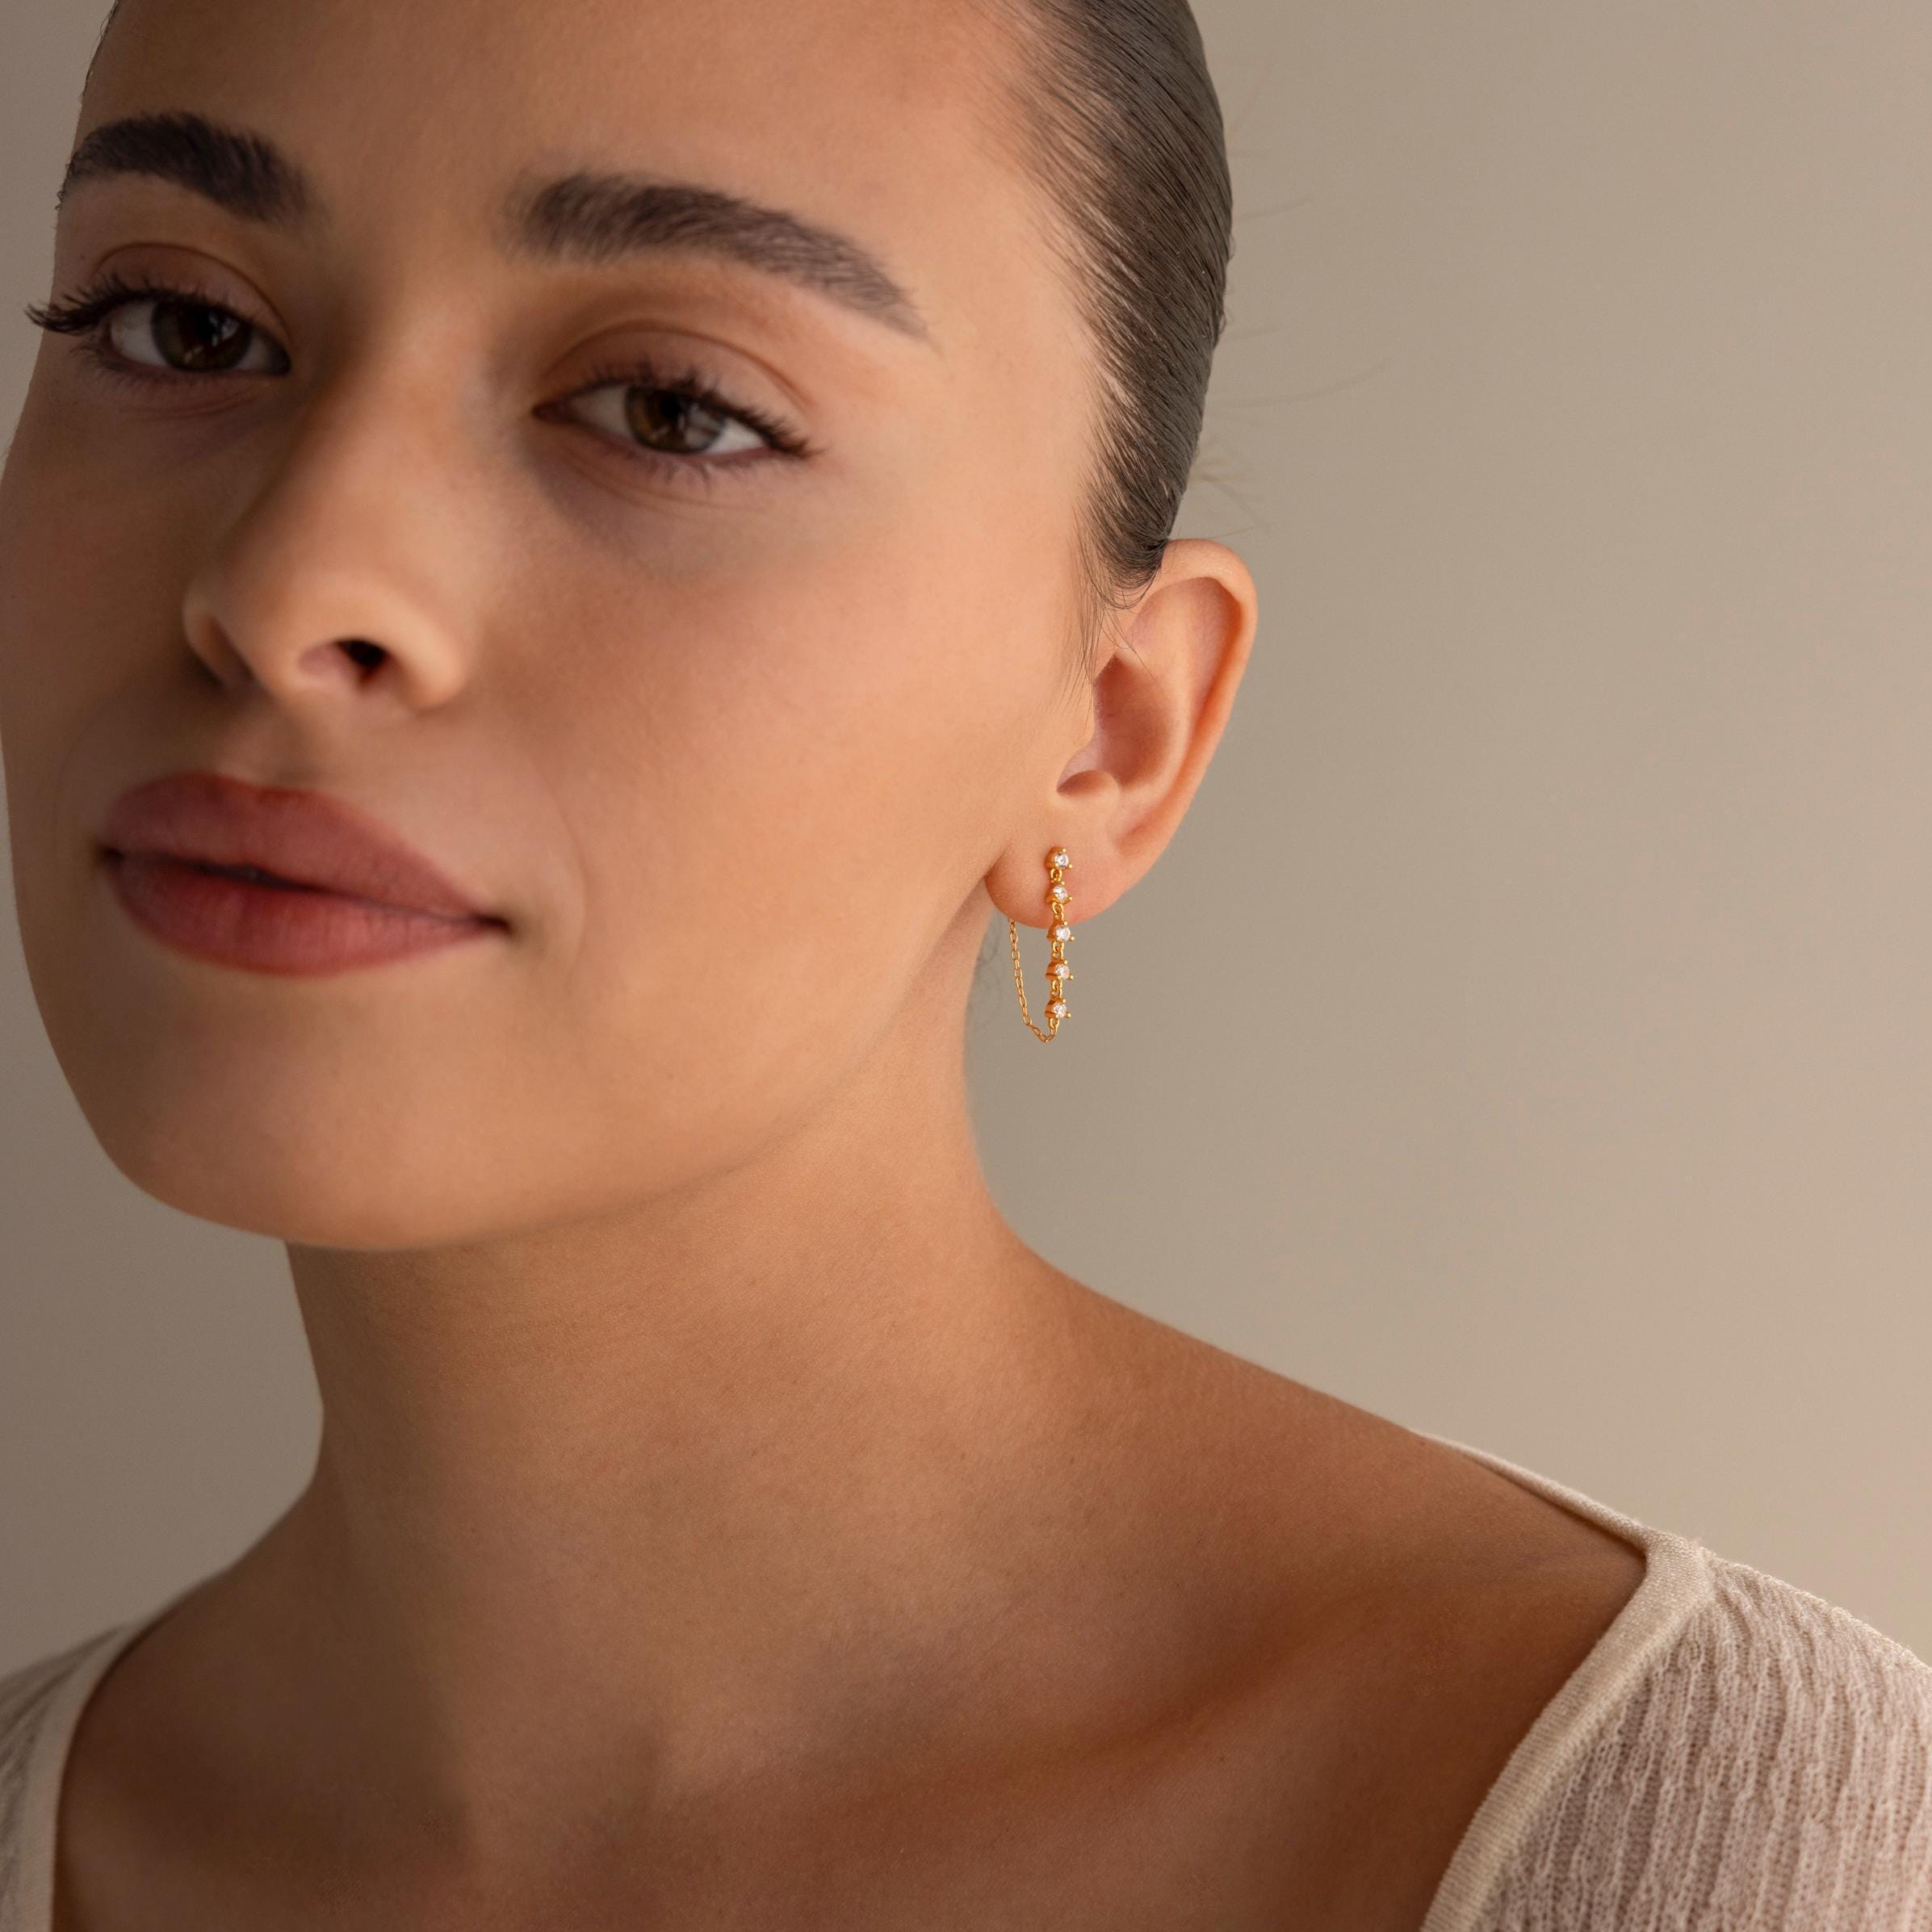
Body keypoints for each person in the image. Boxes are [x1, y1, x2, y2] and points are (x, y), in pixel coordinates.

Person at [1, 0, 1928, 1926]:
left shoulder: (1762, 1868)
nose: (284, 590)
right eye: (182, 326)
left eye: (674, 407)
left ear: (1106, 736)